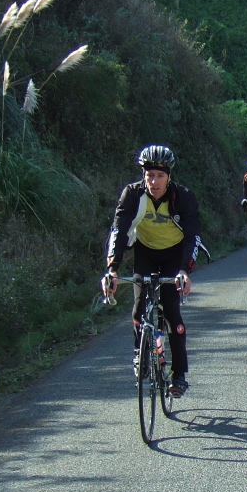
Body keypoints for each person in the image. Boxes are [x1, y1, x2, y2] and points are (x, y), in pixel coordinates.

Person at [102, 145, 202, 397]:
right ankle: (140, 352)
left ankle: (178, 374)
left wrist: (184, 271)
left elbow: (192, 237)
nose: (153, 181)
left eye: (159, 175)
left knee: (171, 313)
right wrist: (112, 270)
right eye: (149, 175)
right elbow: (119, 230)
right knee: (138, 306)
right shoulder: (132, 195)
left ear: (169, 176)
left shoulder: (184, 197)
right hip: (145, 252)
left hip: (174, 255)